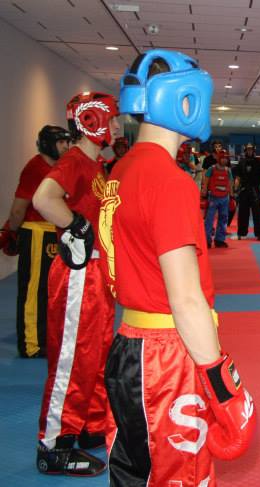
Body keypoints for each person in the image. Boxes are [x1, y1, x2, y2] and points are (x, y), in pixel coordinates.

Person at [100, 49, 257, 485]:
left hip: (129, 343)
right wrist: (222, 384)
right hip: (168, 355)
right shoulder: (168, 181)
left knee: (134, 472)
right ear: (182, 99)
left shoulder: (121, 170)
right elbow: (185, 298)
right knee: (179, 476)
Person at [32, 92, 121, 475]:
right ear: (95, 120)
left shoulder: (96, 164)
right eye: (113, 119)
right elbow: (44, 198)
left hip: (97, 276)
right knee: (71, 358)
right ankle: (54, 444)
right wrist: (75, 225)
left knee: (96, 355)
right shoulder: (74, 161)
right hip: (77, 276)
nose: (117, 126)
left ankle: (87, 425)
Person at [1, 125, 71, 359]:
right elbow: (19, 207)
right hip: (36, 233)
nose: (65, 146)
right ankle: (31, 344)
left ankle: (44, 337)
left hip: (53, 232)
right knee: (34, 289)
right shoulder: (35, 168)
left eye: (66, 142)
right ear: (48, 144)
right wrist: (11, 230)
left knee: (49, 290)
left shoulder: (59, 167)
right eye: (61, 143)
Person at [234, 142, 260, 241]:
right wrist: (235, 189)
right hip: (244, 189)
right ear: (245, 150)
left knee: (257, 214)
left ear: (253, 151)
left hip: (255, 190)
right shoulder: (241, 162)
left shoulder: (259, 162)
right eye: (248, 149)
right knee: (242, 213)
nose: (249, 151)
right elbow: (238, 177)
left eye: (251, 149)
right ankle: (241, 234)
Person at [202, 148, 234, 248]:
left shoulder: (228, 170)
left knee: (223, 219)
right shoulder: (211, 168)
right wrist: (204, 190)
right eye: (223, 158)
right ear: (219, 158)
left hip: (225, 197)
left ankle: (219, 240)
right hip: (213, 197)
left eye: (226, 158)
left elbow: (230, 182)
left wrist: (232, 195)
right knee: (209, 219)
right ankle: (207, 240)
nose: (225, 160)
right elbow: (206, 180)